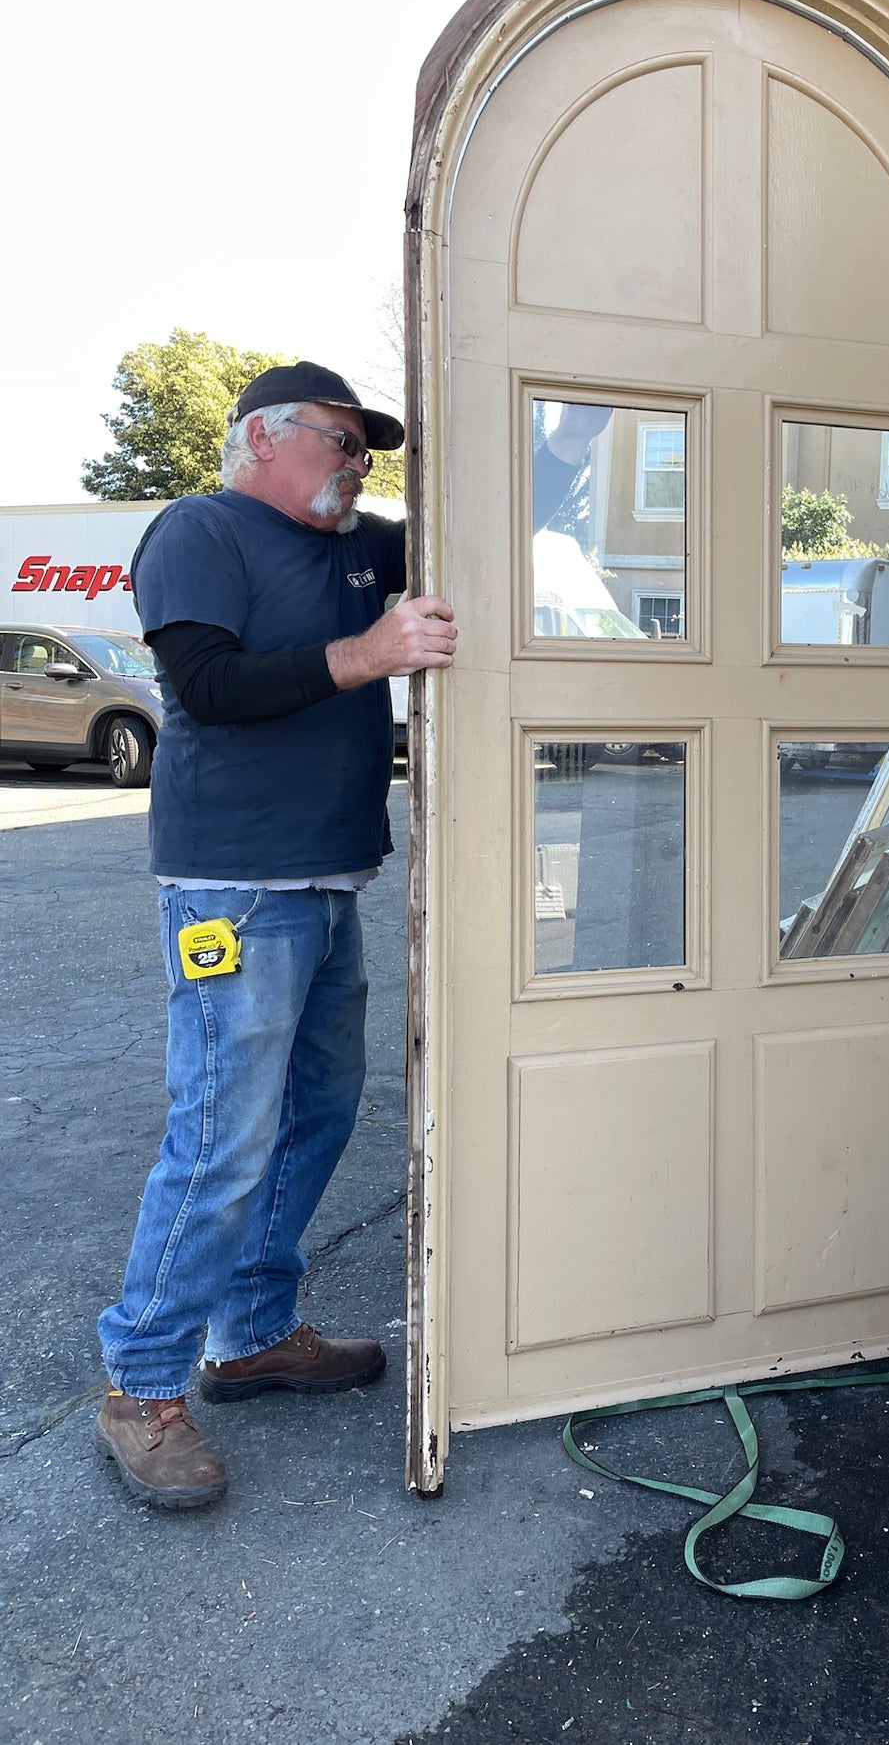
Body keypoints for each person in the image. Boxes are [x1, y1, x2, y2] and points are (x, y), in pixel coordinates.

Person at [95, 361, 456, 1510]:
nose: (360, 465)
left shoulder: (359, 544)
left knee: (317, 1112)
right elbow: (205, 687)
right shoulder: (199, 530)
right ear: (265, 438)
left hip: (329, 876)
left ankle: (250, 1334)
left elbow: (496, 517)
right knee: (221, 1136)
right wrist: (368, 656)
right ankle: (139, 1387)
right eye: (343, 443)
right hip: (232, 890)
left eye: (369, 451)